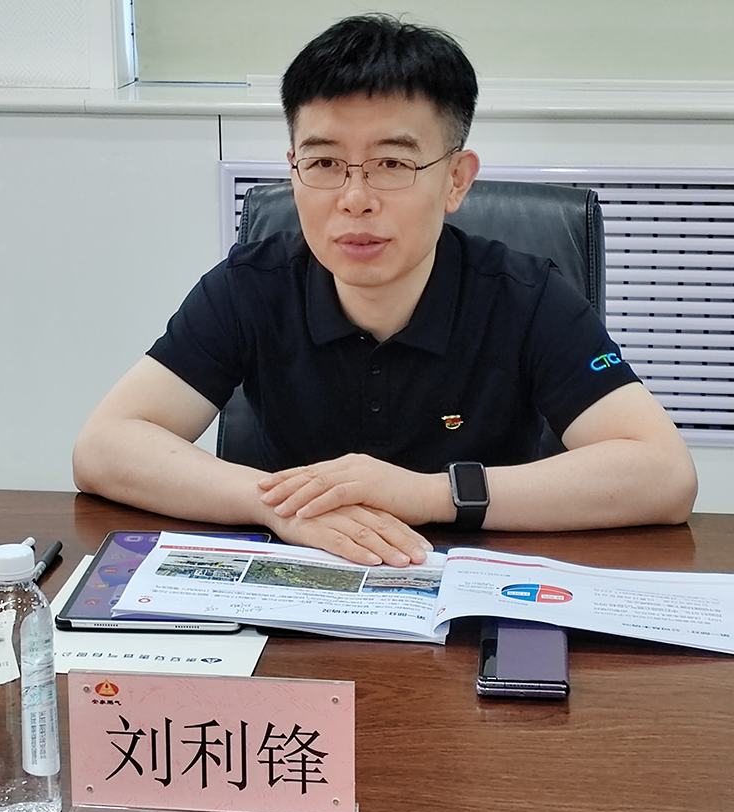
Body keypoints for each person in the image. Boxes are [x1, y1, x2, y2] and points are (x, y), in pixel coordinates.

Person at [73, 14, 697, 567]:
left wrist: (427, 494)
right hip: (296, 588)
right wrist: (276, 505)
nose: (355, 199)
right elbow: (104, 447)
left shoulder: (527, 297)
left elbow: (664, 475)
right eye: (324, 163)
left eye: (393, 164)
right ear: (293, 169)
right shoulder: (249, 286)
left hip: (469, 589)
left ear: (456, 180)